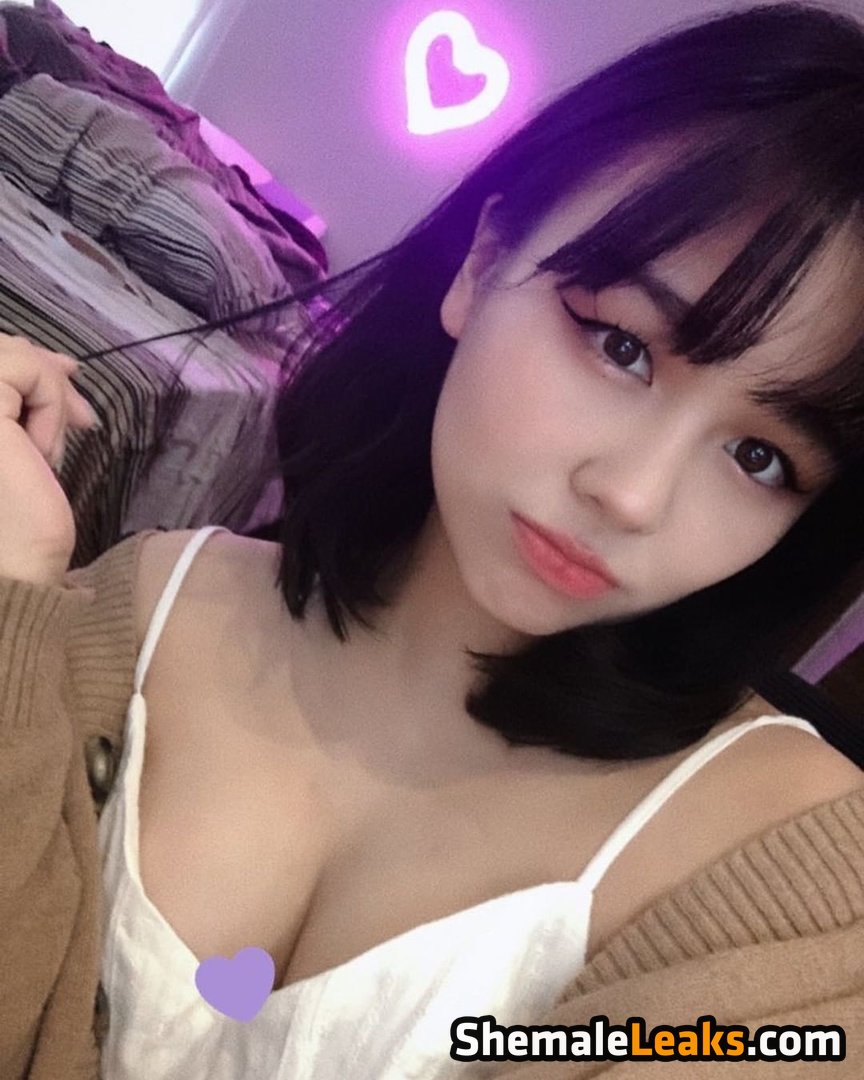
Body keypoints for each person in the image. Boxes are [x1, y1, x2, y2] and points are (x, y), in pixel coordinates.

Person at [2, 2, 864, 1077]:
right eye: (620, 346)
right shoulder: (145, 602)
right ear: (482, 263)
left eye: (761, 458)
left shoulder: (800, 898)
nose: (633, 496)